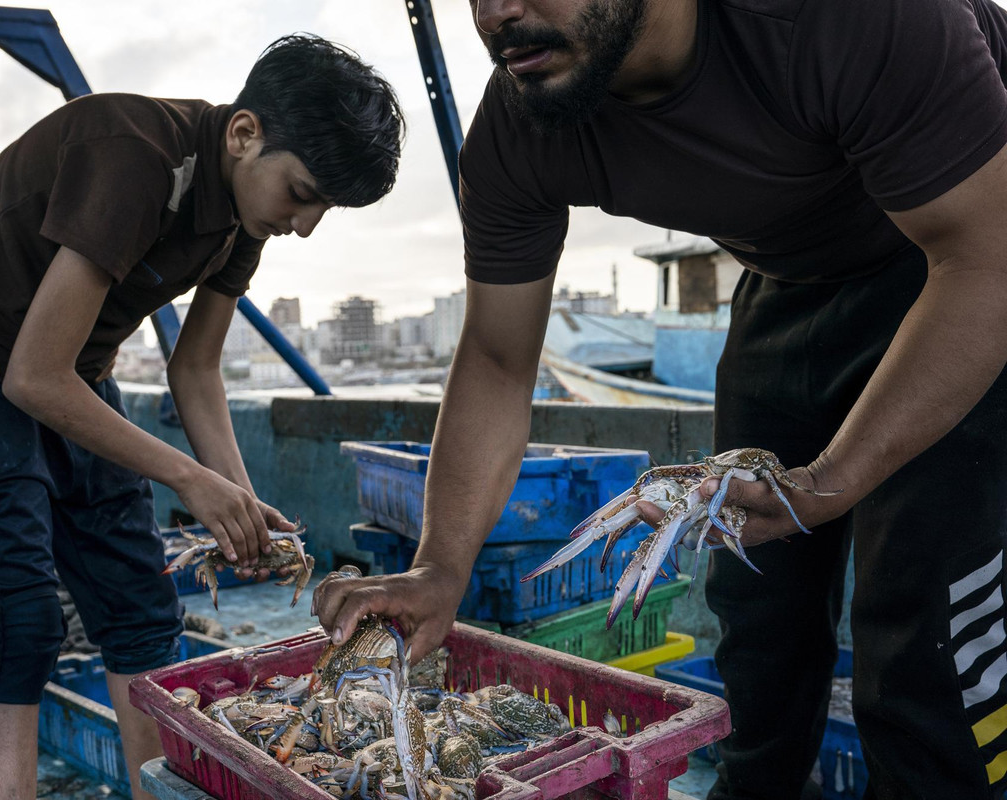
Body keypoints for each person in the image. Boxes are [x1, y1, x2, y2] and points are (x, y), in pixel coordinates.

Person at [312, 0, 1007, 797]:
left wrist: (830, 482)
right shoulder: (524, 113)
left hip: (965, 263)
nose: (497, 12)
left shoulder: (851, 19)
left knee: (928, 634)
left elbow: (989, 259)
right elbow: (500, 360)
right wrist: (439, 568)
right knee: (755, 612)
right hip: (788, 279)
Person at [0, 33, 403, 800]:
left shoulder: (243, 218)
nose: (306, 224)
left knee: (142, 608)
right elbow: (31, 376)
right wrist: (189, 480)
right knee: (21, 620)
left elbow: (195, 368)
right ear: (244, 133)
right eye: (303, 193)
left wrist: (239, 505)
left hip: (77, 375)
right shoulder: (134, 158)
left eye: (324, 209)